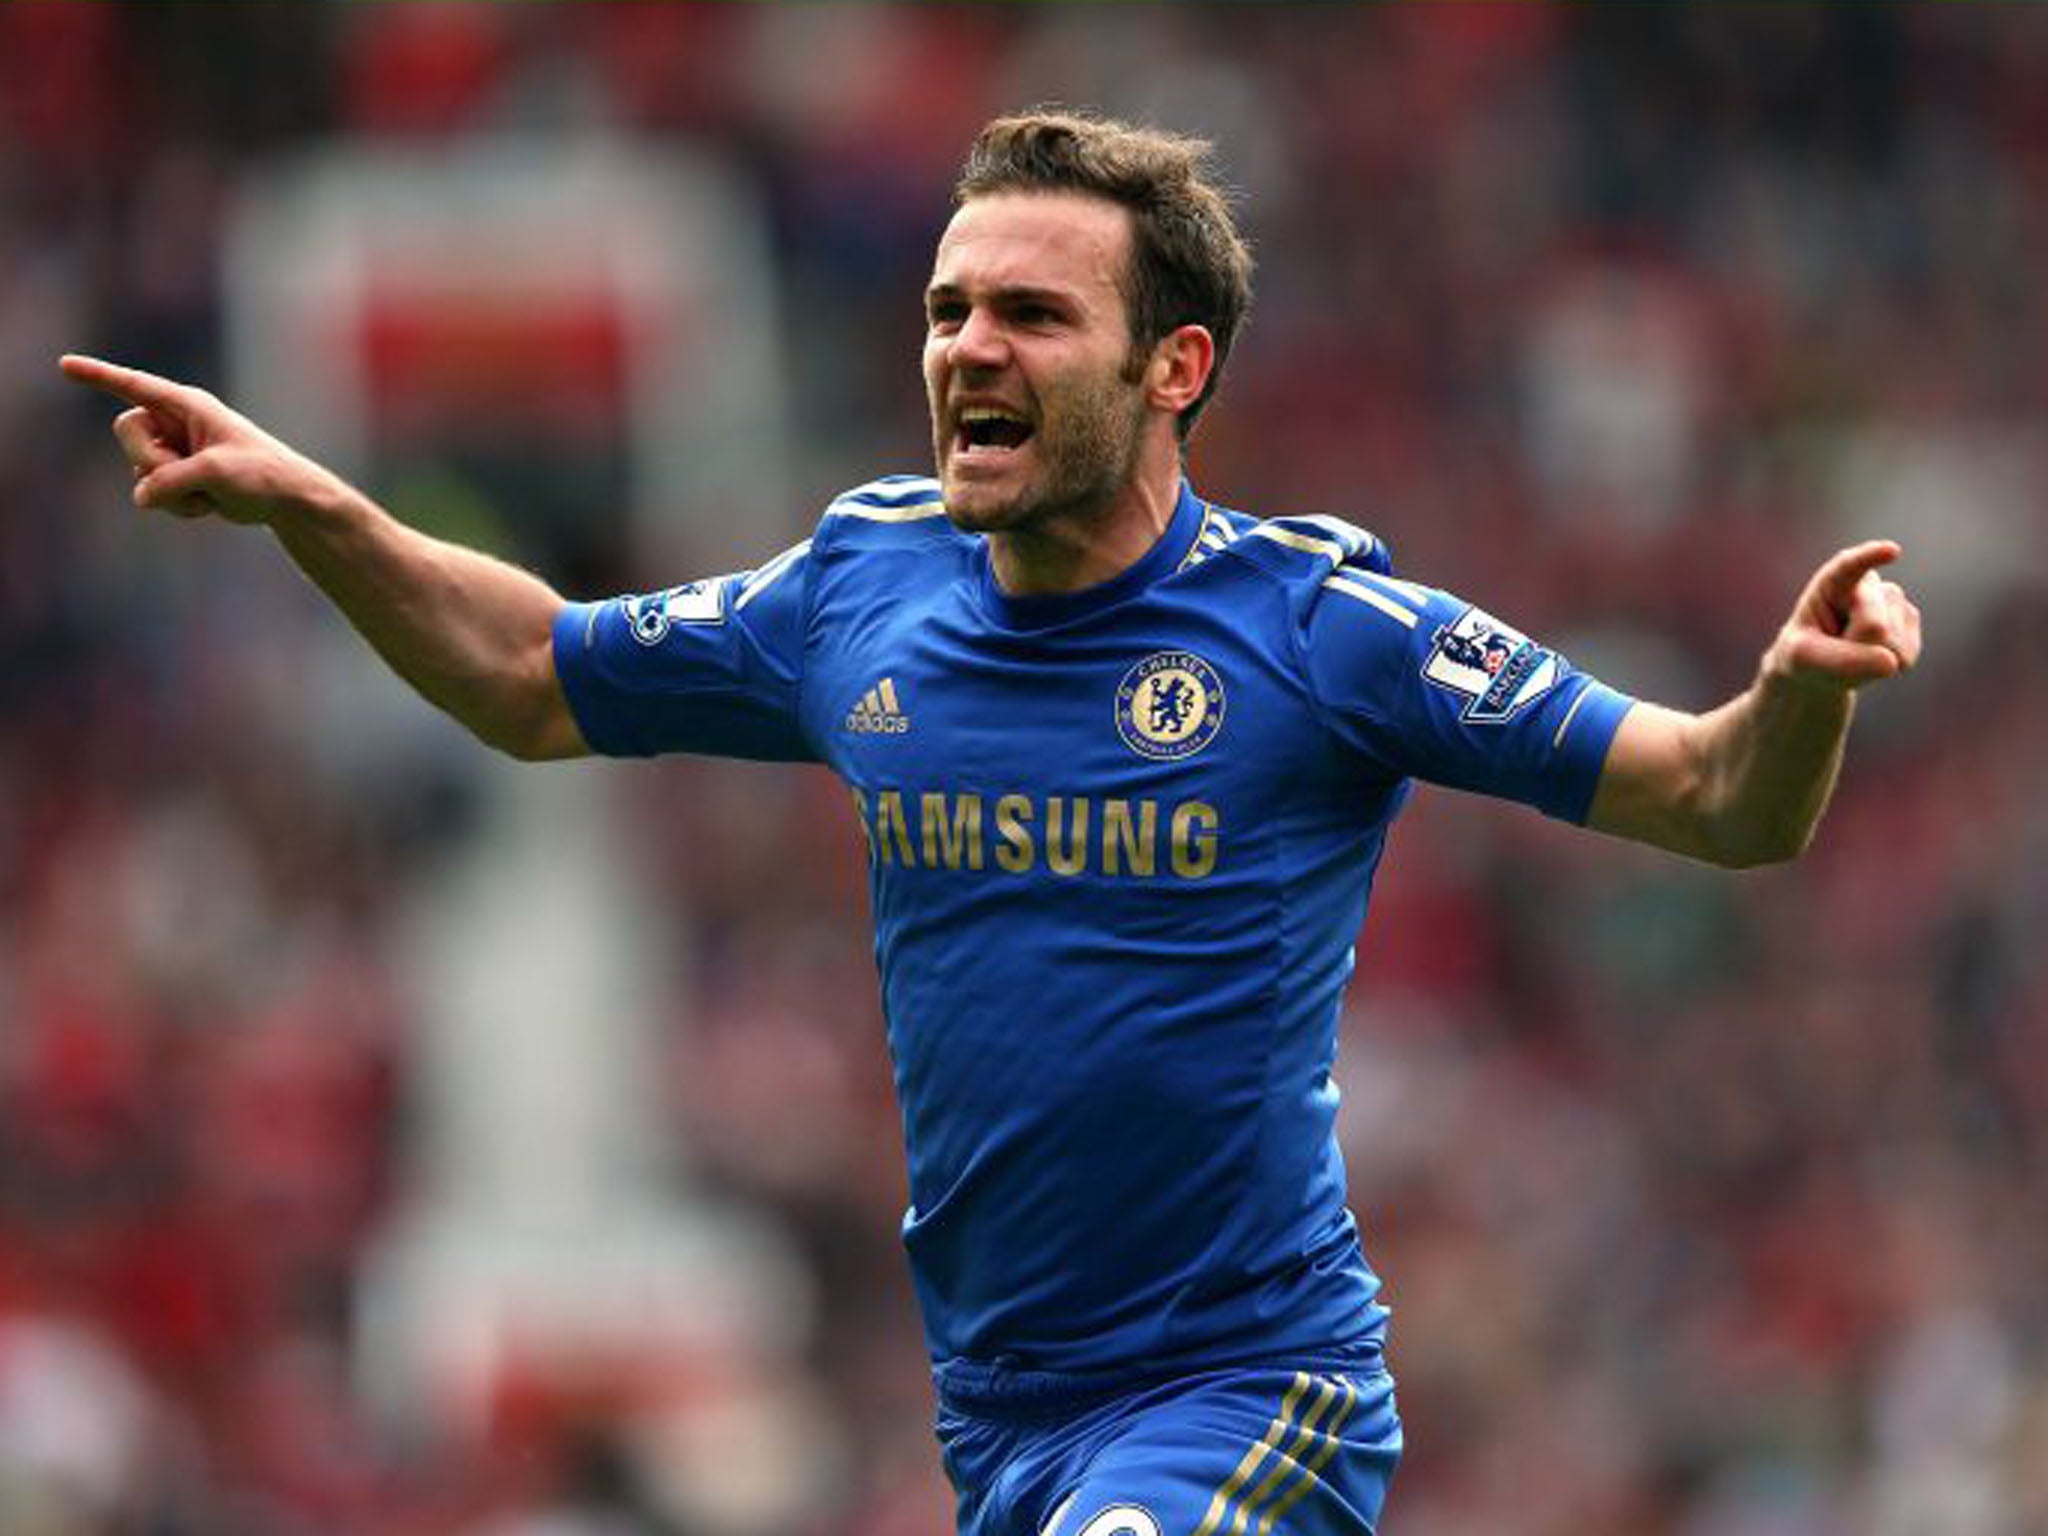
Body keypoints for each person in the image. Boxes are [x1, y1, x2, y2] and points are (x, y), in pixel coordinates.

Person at [63, 111, 1920, 1536]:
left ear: (1171, 369)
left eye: (1032, 313)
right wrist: (317, 505)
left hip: (1245, 1391)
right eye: (950, 308)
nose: (968, 348)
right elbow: (536, 680)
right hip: (999, 1422)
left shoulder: (1318, 631)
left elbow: (1715, 803)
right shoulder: (860, 589)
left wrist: (1804, 692)